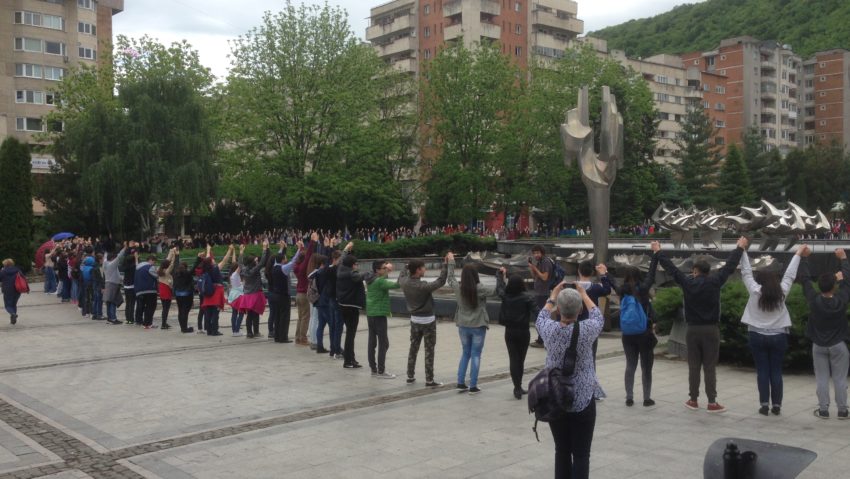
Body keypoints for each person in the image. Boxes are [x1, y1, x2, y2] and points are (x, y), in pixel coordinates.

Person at [658, 236, 747, 413]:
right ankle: (712, 402)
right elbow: (729, 267)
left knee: (693, 366)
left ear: (696, 270)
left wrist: (658, 251)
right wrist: (739, 248)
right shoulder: (715, 282)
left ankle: (693, 399)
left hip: (692, 330)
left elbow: (673, 270)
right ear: (709, 271)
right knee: (709, 366)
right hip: (711, 329)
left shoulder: (688, 283)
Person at [536, 281, 604, 479]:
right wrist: (584, 294)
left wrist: (553, 295)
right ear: (580, 309)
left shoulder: (548, 329)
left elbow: (541, 315)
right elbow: (598, 315)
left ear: (558, 310)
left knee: (561, 450)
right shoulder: (588, 329)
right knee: (582, 453)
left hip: (556, 397)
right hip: (583, 397)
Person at [740, 243, 801, 416]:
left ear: (759, 281)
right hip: (779, 336)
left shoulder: (754, 291)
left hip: (756, 335)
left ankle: (764, 405)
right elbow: (790, 275)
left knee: (762, 371)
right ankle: (777, 406)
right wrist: (797, 254)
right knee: (776, 371)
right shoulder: (781, 292)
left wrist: (742, 251)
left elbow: (746, 272)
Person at [798, 245, 850, 420]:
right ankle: (842, 410)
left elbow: (805, 280)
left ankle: (823, 409)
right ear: (833, 287)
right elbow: (848, 283)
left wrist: (804, 258)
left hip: (818, 344)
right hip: (838, 344)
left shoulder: (814, 300)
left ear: (819, 286)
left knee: (821, 378)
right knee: (840, 379)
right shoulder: (841, 301)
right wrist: (843, 259)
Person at [606, 241, 660, 407]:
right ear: (638, 276)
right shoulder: (643, 289)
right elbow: (651, 275)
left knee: (630, 365)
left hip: (627, 334)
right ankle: (646, 398)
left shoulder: (622, 291)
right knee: (646, 367)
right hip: (643, 333)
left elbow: (612, 283)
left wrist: (604, 273)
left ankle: (629, 397)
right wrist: (656, 254)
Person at [399, 254, 450, 387]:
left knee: (413, 348)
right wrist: (445, 265)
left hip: (414, 320)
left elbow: (401, 275)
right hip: (428, 321)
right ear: (417, 270)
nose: (425, 270)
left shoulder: (404, 282)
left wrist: (406, 267)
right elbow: (441, 281)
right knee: (429, 350)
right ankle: (429, 379)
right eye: (423, 268)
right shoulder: (423, 286)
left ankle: (410, 376)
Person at [448, 258, 493, 394]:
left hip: (463, 324)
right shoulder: (480, 288)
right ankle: (473, 385)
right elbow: (497, 291)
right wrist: (502, 276)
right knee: (476, 355)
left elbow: (450, 279)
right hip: (478, 325)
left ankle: (460, 382)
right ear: (476, 275)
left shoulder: (458, 287)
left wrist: (450, 262)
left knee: (465, 353)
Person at [496, 267, 538, 399]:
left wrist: (500, 274)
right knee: (521, 359)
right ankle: (519, 386)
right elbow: (538, 312)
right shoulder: (527, 298)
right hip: (523, 332)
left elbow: (499, 288)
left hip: (509, 331)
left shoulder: (505, 296)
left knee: (513, 359)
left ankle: (517, 387)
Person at [364, 259, 400, 378]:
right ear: (377, 270)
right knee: (383, 343)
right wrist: (405, 272)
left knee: (372, 342)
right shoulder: (379, 282)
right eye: (384, 268)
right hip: (379, 315)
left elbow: (383, 280)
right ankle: (381, 371)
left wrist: (386, 272)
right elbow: (396, 284)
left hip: (371, 313)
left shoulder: (372, 279)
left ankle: (373, 369)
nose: (386, 269)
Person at [336, 242, 366, 369]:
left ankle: (351, 359)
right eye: (356, 264)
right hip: (352, 306)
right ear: (353, 265)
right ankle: (348, 361)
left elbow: (342, 260)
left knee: (349, 333)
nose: (357, 266)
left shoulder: (340, 269)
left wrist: (345, 250)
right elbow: (363, 276)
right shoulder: (352, 274)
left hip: (342, 304)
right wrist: (378, 270)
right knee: (350, 334)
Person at [232, 241, 270, 339]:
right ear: (253, 262)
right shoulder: (254, 270)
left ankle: (249, 332)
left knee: (249, 315)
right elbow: (262, 263)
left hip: (247, 295)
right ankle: (256, 331)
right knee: (256, 313)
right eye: (255, 260)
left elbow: (240, 262)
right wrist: (264, 249)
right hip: (255, 294)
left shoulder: (243, 269)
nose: (257, 261)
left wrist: (241, 252)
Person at [267, 241, 302, 343]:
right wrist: (299, 249)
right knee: (285, 317)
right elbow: (294, 261)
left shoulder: (274, 266)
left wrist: (282, 249)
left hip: (275, 295)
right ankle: (283, 337)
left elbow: (278, 257)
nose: (286, 259)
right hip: (283, 296)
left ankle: (277, 336)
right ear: (282, 260)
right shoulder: (283, 268)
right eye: (285, 258)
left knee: (277, 317)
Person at [293, 232, 318, 345]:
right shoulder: (303, 268)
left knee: (300, 317)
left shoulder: (296, 266)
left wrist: (301, 247)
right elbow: (307, 256)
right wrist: (313, 242)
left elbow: (303, 256)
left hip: (298, 294)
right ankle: (303, 338)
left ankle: (298, 337)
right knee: (305, 317)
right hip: (304, 294)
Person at [529, 245, 553, 348]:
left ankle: (542, 340)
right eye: (534, 253)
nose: (536, 255)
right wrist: (531, 268)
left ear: (542, 252)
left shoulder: (545, 262)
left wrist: (535, 268)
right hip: (539, 292)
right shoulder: (539, 262)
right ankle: (541, 339)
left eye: (538, 253)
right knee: (540, 316)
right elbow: (535, 277)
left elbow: (544, 277)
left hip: (543, 293)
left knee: (541, 317)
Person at [307, 253, 329, 352]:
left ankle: (313, 340)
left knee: (313, 318)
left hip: (312, 297)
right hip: (317, 298)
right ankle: (314, 341)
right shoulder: (318, 272)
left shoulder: (314, 271)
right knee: (315, 319)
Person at [103, 243, 128, 324]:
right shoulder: (111, 265)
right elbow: (119, 257)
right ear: (112, 258)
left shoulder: (105, 263)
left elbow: (105, 255)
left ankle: (109, 318)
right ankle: (113, 318)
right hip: (113, 284)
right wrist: (124, 248)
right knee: (113, 302)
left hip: (108, 284)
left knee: (109, 302)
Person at [134, 255, 160, 330]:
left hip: (139, 290)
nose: (154, 263)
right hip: (150, 290)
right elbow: (156, 276)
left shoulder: (138, 267)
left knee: (140, 306)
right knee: (150, 307)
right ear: (151, 260)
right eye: (154, 261)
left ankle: (138, 321)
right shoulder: (150, 267)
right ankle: (148, 323)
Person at [156, 248, 178, 330]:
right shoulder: (167, 271)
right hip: (166, 289)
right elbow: (172, 263)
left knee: (164, 308)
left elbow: (167, 261)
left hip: (161, 289)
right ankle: (163, 324)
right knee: (166, 308)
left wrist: (171, 252)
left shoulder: (159, 269)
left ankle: (164, 323)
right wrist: (174, 254)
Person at [172, 260, 195, 333]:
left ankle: (182, 327)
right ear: (186, 267)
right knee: (185, 312)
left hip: (178, 294)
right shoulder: (187, 273)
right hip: (187, 294)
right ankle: (184, 328)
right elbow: (194, 268)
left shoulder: (175, 274)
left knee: (180, 311)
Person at [0, 259, 23, 324]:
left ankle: (13, 314)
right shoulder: (17, 270)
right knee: (13, 304)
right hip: (17, 289)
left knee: (8, 305)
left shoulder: (3, 271)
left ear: (5, 264)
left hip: (7, 290)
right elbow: (23, 278)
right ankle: (13, 319)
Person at [227, 262, 244, 337]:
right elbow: (240, 265)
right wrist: (241, 253)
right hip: (238, 295)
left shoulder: (232, 275)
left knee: (234, 313)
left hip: (233, 295)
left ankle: (234, 330)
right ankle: (237, 330)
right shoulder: (235, 274)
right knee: (241, 313)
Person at [121, 250, 137, 324]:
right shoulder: (133, 267)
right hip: (132, 286)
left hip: (126, 286)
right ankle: (131, 318)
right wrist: (136, 258)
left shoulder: (125, 267)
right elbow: (137, 265)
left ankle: (127, 318)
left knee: (128, 303)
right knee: (132, 303)